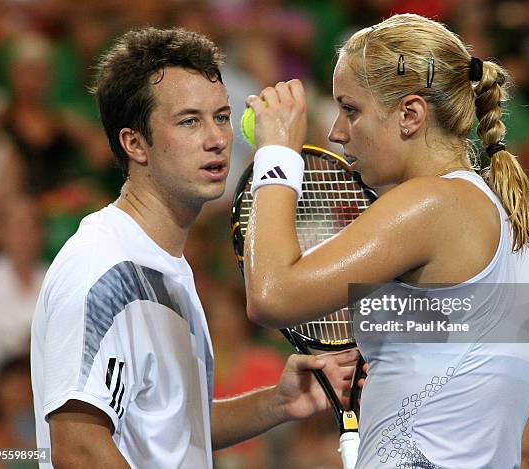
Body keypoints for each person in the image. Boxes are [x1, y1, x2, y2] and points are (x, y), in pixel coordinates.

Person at [30, 27, 358, 469]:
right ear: (134, 143)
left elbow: (170, 428)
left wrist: (276, 403)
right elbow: (76, 446)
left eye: (221, 117)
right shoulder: (101, 267)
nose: (217, 139)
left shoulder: (167, 267)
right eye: (189, 121)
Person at [243, 13, 529, 469]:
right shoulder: (524, 236)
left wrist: (276, 156)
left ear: (410, 114)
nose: (336, 133)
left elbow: (271, 295)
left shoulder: (432, 203)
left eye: (351, 109)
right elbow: (520, 445)